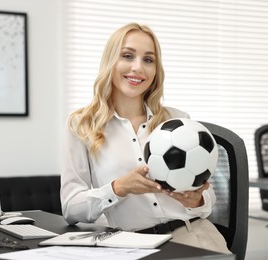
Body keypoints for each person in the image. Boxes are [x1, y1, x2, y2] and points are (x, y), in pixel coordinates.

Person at [60, 23, 231, 254]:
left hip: (192, 236)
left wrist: (197, 200)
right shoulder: (81, 125)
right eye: (128, 56)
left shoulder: (178, 120)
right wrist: (119, 188)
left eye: (148, 60)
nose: (138, 68)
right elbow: (71, 209)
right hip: (126, 246)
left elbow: (207, 195)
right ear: (111, 61)